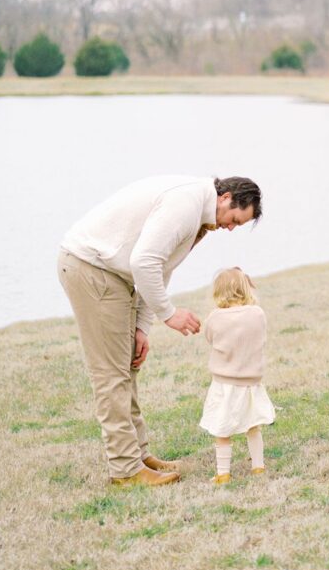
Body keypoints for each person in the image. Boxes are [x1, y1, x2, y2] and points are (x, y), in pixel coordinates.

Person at [57, 175, 262, 486]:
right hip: (93, 269)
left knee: (128, 366)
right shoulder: (186, 204)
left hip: (116, 276)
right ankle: (125, 470)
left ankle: (139, 455)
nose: (230, 228)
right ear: (225, 197)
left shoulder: (200, 216)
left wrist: (142, 327)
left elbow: (159, 268)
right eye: (234, 219)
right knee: (111, 374)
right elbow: (144, 263)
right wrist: (169, 314)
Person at [199, 267, 275, 485]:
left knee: (222, 429)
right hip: (251, 383)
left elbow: (210, 338)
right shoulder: (257, 314)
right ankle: (258, 466)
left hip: (225, 383)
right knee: (253, 425)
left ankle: (223, 472)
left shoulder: (215, 318)